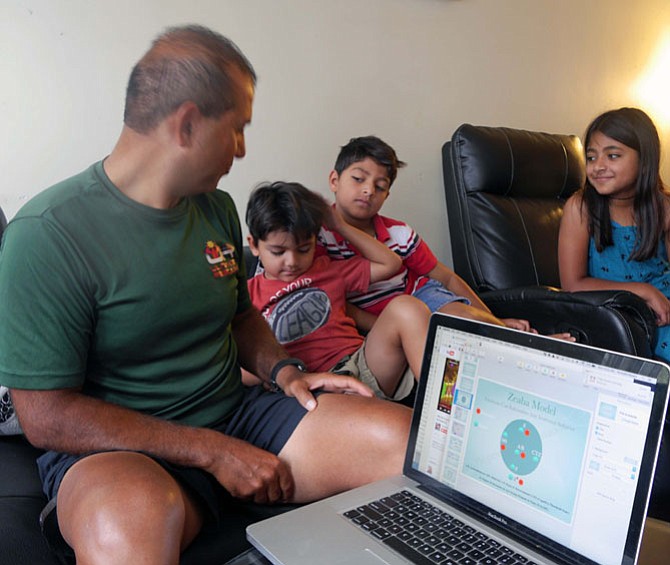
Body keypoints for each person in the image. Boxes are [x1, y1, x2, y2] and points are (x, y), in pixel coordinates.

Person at [0, 25, 412, 564]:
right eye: (237, 129)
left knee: (407, 444)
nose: (242, 150)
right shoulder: (46, 234)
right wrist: (212, 452)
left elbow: (242, 318)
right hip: (119, 453)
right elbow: (47, 417)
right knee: (128, 527)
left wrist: (285, 373)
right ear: (188, 123)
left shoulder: (215, 208)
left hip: (237, 417)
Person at [317, 135, 539, 334]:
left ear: (387, 195)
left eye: (380, 186)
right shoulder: (317, 238)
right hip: (377, 322)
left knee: (466, 320)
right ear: (334, 181)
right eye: (358, 179)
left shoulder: (399, 234)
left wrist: (493, 320)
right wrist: (390, 329)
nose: (368, 190)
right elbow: (331, 298)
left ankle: (526, 343)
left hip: (420, 296)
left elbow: (446, 277)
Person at [245, 181, 430, 401]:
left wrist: (340, 225)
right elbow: (242, 367)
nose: (292, 261)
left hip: (362, 364)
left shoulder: (327, 269)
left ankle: (437, 409)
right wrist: (278, 374)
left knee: (406, 307)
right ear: (254, 246)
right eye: (278, 252)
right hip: (313, 385)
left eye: (304, 249)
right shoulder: (247, 295)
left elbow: (391, 263)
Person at [558, 107, 670, 361]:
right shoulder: (581, 208)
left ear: (644, 160)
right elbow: (572, 285)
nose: (598, 166)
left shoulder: (663, 208)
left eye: (613, 156)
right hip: (620, 314)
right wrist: (643, 291)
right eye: (591, 157)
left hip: (664, 307)